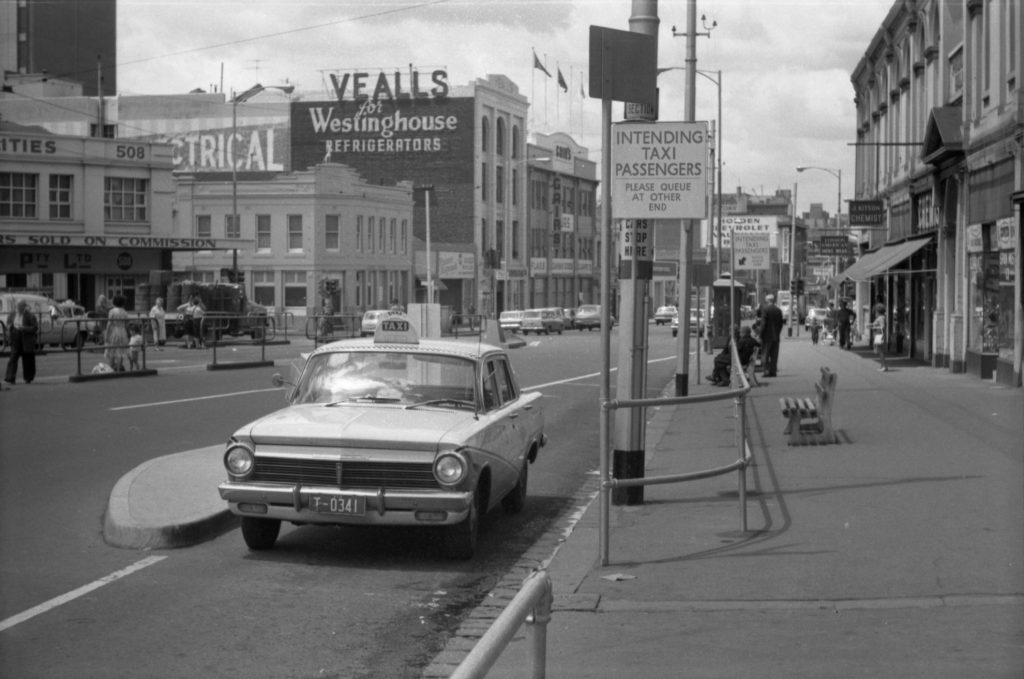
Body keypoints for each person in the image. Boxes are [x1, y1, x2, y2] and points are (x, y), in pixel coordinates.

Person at [4, 299, 39, 385]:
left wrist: (24, 328)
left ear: (24, 307)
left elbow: (34, 328)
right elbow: (8, 324)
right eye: (17, 306)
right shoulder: (12, 314)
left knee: (28, 358)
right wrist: (9, 327)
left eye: (20, 306)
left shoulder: (30, 316)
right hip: (15, 336)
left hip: (26, 338)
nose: (18, 308)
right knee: (13, 357)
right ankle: (10, 377)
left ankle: (28, 378)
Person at [757, 294, 785, 377]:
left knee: (765, 354)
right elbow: (781, 324)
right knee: (774, 356)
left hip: (767, 337)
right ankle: (773, 372)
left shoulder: (765, 309)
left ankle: (766, 371)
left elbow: (763, 323)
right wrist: (777, 332)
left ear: (767, 300)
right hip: (776, 337)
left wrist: (760, 335)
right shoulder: (778, 310)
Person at [104, 294, 130, 372]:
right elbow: (127, 325)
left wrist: (106, 334)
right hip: (122, 332)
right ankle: (119, 369)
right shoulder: (124, 312)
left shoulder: (112, 311)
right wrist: (128, 334)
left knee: (112, 350)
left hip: (114, 331)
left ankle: (111, 368)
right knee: (120, 351)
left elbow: (109, 324)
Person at [871, 302, 888, 372]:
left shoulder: (880, 318)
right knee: (879, 351)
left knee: (880, 351)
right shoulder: (882, 317)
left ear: (878, 311)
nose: (875, 314)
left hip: (879, 335)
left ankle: (884, 366)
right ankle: (882, 365)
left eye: (875, 312)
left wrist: (875, 327)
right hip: (878, 335)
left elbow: (882, 326)